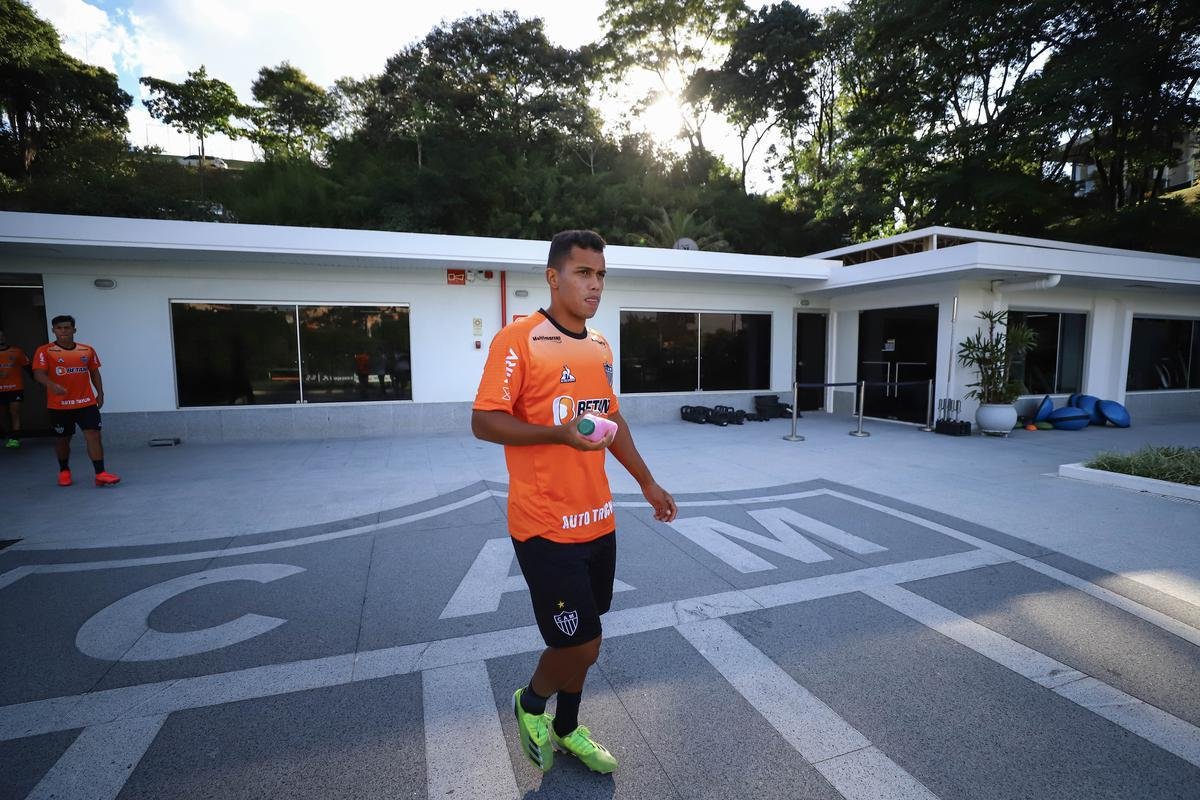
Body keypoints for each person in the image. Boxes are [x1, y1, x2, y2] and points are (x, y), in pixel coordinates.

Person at [472, 230, 677, 776]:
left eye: (601, 275)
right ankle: (531, 702)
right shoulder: (518, 340)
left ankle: (566, 727)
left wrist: (647, 482)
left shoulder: (600, 346)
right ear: (553, 277)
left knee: (589, 639)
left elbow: (612, 419)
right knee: (581, 646)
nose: (595, 285)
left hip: (598, 521)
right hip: (544, 526)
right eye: (583, 273)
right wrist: (558, 435)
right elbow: (484, 420)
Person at [32, 315, 120, 487]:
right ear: (53, 330)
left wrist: (100, 393)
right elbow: (38, 373)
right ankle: (64, 471)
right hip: (59, 405)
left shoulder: (87, 350)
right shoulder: (44, 351)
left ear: (74, 329)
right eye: (59, 328)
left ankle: (100, 473)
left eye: (67, 327)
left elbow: (94, 372)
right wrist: (52, 385)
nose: (63, 331)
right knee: (63, 439)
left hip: (86, 402)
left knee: (94, 435)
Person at [0, 329, 32, 448]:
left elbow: (28, 367)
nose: (0, 338)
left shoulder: (17, 351)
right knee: (2, 414)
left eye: (2, 336)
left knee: (14, 411)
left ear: (5, 337)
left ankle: (15, 438)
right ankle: (8, 434)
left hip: (15, 388)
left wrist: (39, 380)